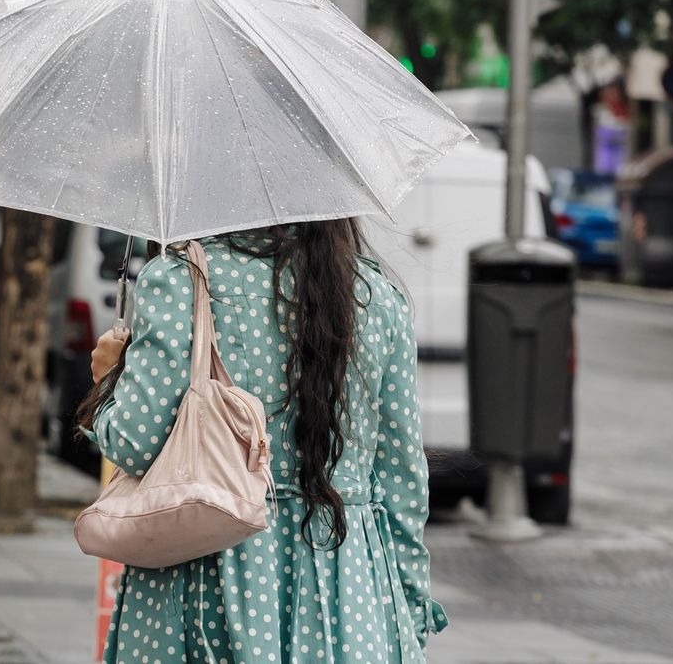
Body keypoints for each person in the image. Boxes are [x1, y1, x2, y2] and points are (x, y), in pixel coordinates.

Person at [79, 223, 446, 663]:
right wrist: (408, 614)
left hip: (205, 571)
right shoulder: (376, 295)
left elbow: (133, 443)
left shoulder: (181, 280)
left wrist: (108, 380)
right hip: (350, 589)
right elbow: (403, 484)